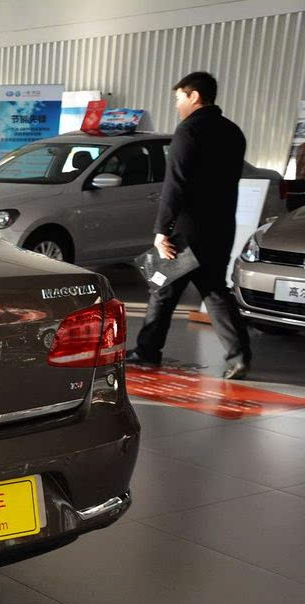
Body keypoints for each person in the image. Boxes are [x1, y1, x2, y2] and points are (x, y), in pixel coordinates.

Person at [127, 72, 252, 380]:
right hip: (221, 226)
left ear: (194, 96)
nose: (177, 104)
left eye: (179, 97)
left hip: (187, 230)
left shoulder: (188, 130)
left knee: (163, 288)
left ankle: (146, 352)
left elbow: (176, 184)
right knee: (214, 290)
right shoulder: (233, 132)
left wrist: (162, 230)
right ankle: (239, 357)